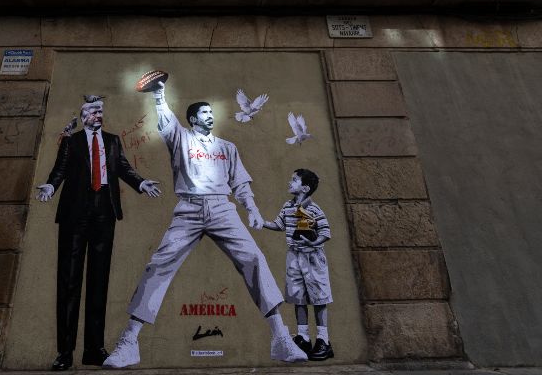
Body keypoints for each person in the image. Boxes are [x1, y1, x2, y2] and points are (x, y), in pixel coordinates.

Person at [103, 80, 307, 367]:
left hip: (223, 208)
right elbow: (166, 120)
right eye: (204, 112)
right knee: (158, 265)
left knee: (254, 259)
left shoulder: (227, 147)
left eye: (212, 112)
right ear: (192, 119)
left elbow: (241, 183)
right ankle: (129, 342)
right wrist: (159, 95)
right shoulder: (180, 139)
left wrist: (252, 209)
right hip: (189, 208)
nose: (210, 115)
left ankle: (281, 339)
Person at [36, 95, 161, 370]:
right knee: (69, 282)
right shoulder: (72, 141)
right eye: (93, 110)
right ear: (83, 115)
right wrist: (50, 187)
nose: (98, 114)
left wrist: (141, 184)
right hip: (75, 214)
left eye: (100, 110)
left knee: (98, 282)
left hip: (105, 212)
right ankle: (65, 352)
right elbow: (60, 170)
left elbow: (123, 169)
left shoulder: (113, 141)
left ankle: (94, 349)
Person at [263, 168, 334, 361]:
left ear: (305, 187)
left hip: (312, 257)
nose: (289, 182)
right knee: (298, 297)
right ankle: (303, 336)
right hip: (293, 257)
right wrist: (261, 222)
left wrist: (314, 242)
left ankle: (323, 340)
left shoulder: (314, 209)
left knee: (319, 298)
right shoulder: (287, 206)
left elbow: (326, 232)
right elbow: (279, 225)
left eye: (294, 180)